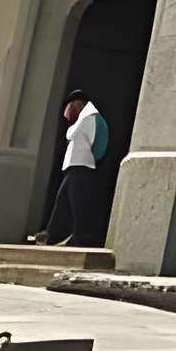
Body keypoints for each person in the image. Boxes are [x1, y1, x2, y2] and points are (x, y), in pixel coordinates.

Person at [27, 91, 106, 246]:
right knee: (63, 202)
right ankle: (52, 235)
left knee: (79, 204)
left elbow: (95, 143)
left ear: (78, 104)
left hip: (81, 166)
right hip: (74, 167)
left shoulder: (89, 118)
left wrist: (90, 158)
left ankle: (82, 238)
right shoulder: (84, 119)